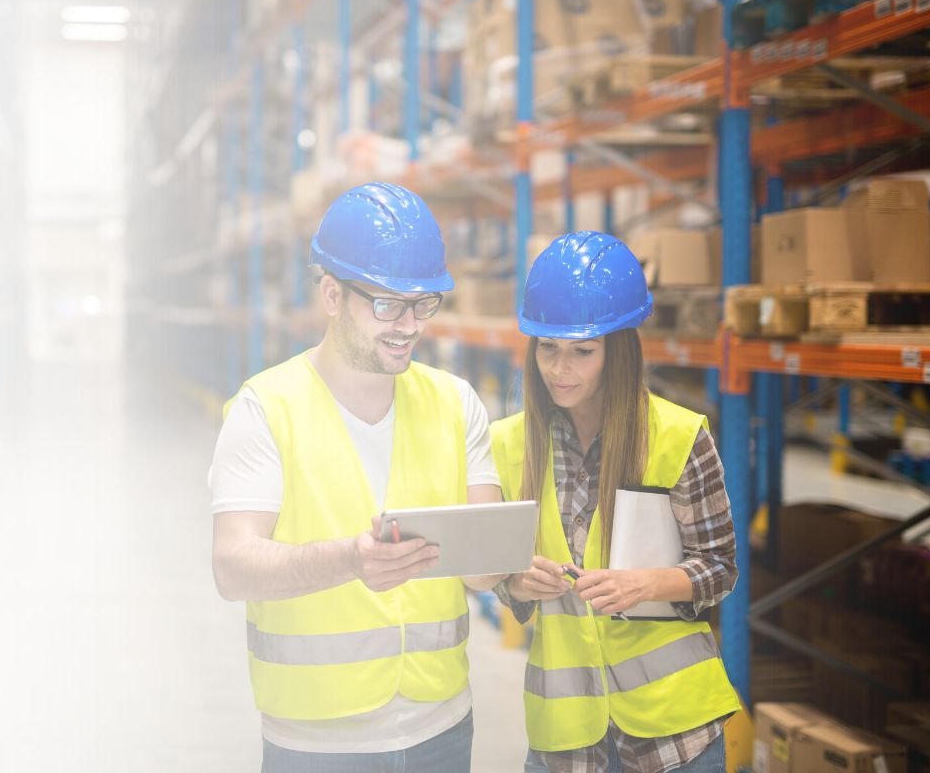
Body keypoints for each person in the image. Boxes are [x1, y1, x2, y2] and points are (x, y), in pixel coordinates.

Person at [210, 182, 501, 772]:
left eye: (423, 304)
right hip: (317, 742)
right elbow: (232, 566)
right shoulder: (266, 408)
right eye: (386, 304)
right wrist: (348, 560)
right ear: (332, 295)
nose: (408, 325)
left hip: (441, 727)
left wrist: (518, 554)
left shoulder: (455, 402)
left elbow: (484, 571)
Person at [490, 231, 742, 773]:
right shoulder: (508, 446)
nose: (560, 369)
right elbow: (498, 575)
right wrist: (515, 583)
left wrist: (643, 583)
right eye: (548, 349)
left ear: (619, 351)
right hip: (567, 736)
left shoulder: (678, 435)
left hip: (676, 732)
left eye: (583, 351)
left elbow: (720, 570)